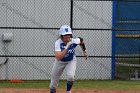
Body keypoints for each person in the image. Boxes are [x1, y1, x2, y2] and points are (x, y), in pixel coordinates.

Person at [50, 25, 88, 93]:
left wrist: (84, 50)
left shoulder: (73, 41)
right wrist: (67, 47)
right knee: (53, 84)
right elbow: (59, 57)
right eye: (65, 35)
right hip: (60, 62)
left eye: (69, 34)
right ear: (61, 36)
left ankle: (68, 91)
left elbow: (81, 41)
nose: (67, 36)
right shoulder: (58, 43)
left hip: (71, 60)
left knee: (71, 76)